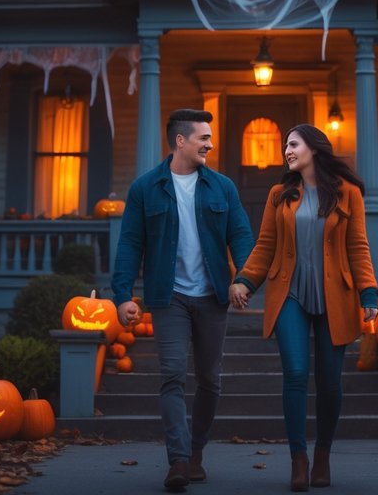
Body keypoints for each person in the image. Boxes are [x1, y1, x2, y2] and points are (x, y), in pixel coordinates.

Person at [229, 124, 378, 492]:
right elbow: (265, 244)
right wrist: (245, 281)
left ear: (314, 148)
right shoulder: (279, 194)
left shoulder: (348, 193)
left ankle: (322, 454)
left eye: (293, 144)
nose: (287, 151)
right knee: (296, 372)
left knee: (329, 381)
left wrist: (368, 293)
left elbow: (358, 246)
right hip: (290, 293)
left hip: (335, 296)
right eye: (286, 145)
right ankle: (299, 458)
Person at [111, 108, 255, 492]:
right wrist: (122, 295)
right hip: (168, 296)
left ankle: (196, 452)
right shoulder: (145, 188)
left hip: (212, 296)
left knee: (209, 379)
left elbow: (241, 236)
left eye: (210, 138)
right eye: (203, 138)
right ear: (180, 141)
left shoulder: (223, 187)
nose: (210, 144)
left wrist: (244, 280)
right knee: (172, 374)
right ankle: (178, 459)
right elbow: (130, 244)